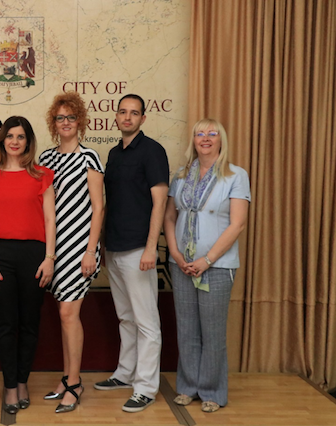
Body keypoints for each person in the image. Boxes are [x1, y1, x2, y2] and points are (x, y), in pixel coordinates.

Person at [163, 118, 250, 413]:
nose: (206, 138)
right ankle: (188, 387)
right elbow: (170, 216)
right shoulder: (181, 175)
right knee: (187, 330)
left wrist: (207, 259)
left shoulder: (235, 176)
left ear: (221, 139)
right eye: (200, 133)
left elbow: (237, 224)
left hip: (217, 266)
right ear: (194, 140)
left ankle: (212, 391)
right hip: (182, 265)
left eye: (212, 133)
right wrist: (175, 253)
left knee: (212, 332)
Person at [96, 94, 169, 413]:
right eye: (123, 112)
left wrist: (151, 247)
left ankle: (146, 388)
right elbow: (110, 203)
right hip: (114, 246)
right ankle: (125, 374)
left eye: (134, 113)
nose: (127, 117)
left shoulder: (152, 151)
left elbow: (160, 202)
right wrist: (102, 244)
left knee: (146, 322)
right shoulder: (114, 154)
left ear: (143, 118)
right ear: (116, 116)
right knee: (126, 317)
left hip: (139, 249)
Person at [0, 116, 56, 415]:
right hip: (0, 256)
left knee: (30, 323)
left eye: (20, 136)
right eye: (10, 136)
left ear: (28, 141)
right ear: (2, 140)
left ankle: (23, 380)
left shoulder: (43, 176)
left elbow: (50, 220)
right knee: (6, 323)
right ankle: (10, 384)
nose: (14, 141)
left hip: (35, 256)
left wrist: (49, 258)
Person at [38, 92, 104, 413]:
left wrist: (91, 250)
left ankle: (75, 383)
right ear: (54, 123)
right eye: (60, 118)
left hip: (81, 247)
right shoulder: (46, 160)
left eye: (71, 117)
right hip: (55, 248)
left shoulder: (90, 157)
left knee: (68, 314)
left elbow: (99, 207)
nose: (66, 122)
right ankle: (66, 379)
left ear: (80, 121)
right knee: (64, 315)